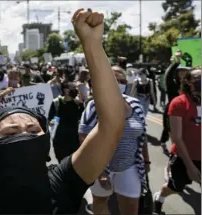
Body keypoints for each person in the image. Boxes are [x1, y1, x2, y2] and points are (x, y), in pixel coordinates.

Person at [0, 8, 126, 214]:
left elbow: (111, 125)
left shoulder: (63, 183)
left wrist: (92, 44)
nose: (24, 134)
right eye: (11, 132)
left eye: (33, 131)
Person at [79, 66, 150, 215]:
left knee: (131, 207)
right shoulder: (94, 105)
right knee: (101, 202)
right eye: (114, 79)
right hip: (102, 167)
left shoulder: (136, 105)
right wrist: (100, 172)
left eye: (122, 80)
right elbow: (84, 138)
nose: (119, 83)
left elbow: (142, 136)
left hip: (130, 166)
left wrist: (146, 160)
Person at [153, 67, 201, 214]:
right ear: (188, 82)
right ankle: (159, 197)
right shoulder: (179, 103)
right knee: (175, 188)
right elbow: (176, 138)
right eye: (198, 78)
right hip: (183, 158)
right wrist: (190, 166)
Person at [159, 51, 189, 152]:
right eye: (181, 72)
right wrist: (176, 61)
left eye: (185, 72)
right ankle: (165, 143)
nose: (183, 74)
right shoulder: (172, 84)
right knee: (170, 131)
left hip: (186, 112)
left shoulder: (189, 85)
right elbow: (169, 74)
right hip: (172, 112)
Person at [48, 82, 84, 163]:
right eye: (72, 88)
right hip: (60, 140)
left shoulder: (77, 103)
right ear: (65, 90)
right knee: (62, 162)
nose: (75, 90)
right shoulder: (56, 102)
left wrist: (81, 104)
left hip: (74, 139)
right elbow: (51, 118)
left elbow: (81, 117)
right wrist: (52, 122)